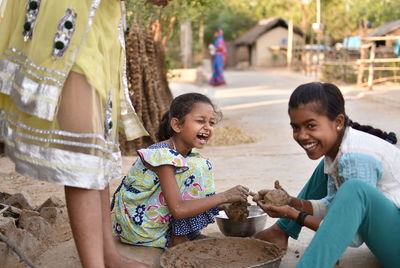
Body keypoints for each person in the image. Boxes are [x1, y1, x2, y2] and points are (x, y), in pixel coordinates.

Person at [0, 1, 151, 267]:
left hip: (98, 23)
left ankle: (108, 255)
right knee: (82, 155)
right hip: (70, 16)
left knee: (97, 150)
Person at [254, 82, 400, 268]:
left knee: (356, 189)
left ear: (338, 122)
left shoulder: (355, 158)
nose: (302, 135)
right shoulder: (340, 148)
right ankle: (280, 232)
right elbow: (335, 205)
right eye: (296, 127)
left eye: (311, 126)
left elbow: (352, 236)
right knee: (335, 174)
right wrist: (290, 202)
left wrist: (295, 215)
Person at [111, 93, 249, 248]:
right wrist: (224, 197)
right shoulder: (162, 156)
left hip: (154, 217)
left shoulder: (187, 156)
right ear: (177, 125)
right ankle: (178, 239)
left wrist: (224, 204)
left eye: (211, 123)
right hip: (139, 226)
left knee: (199, 165)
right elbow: (178, 209)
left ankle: (189, 233)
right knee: (195, 168)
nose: (207, 127)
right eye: (200, 121)